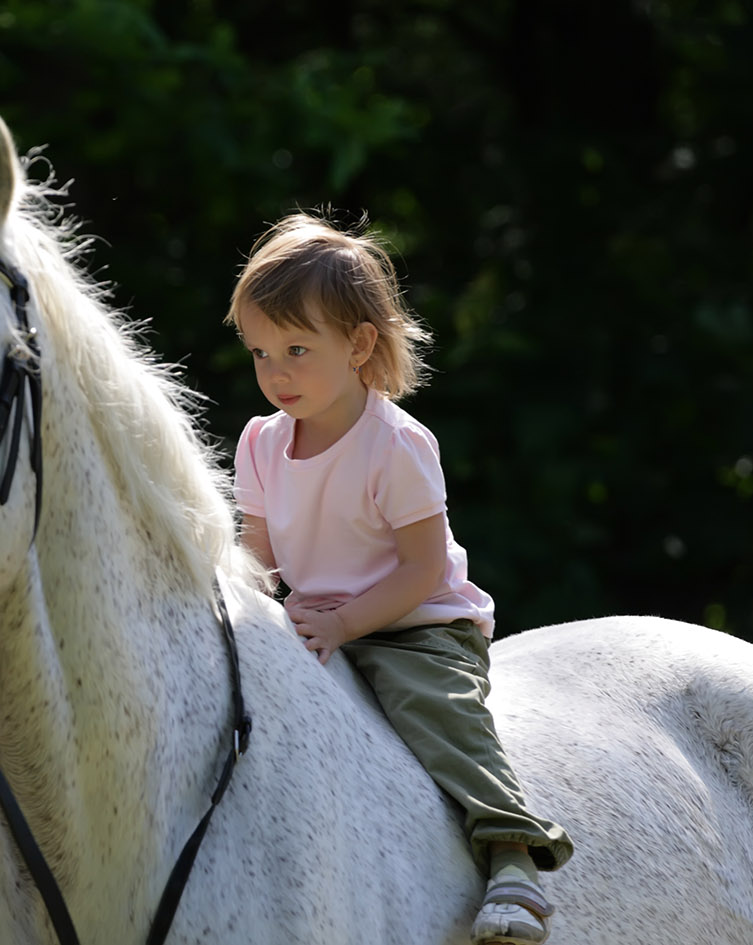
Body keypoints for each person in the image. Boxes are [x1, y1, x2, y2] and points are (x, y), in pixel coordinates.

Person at [226, 212, 573, 945]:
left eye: (295, 348)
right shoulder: (258, 443)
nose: (275, 372)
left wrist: (348, 624)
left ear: (357, 344)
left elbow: (420, 568)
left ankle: (512, 851)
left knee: (432, 710)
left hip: (415, 622)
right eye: (259, 352)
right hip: (317, 620)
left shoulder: (396, 444)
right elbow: (257, 558)